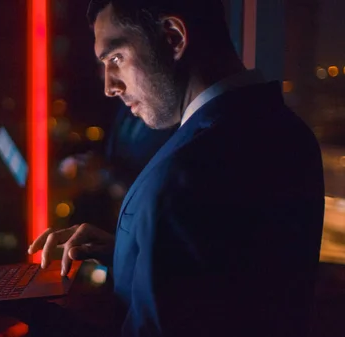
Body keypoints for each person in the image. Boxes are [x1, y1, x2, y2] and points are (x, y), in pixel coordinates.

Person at [28, 0, 325, 336]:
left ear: (173, 38)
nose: (110, 87)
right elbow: (236, 278)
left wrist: (35, 312)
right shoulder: (288, 132)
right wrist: (130, 252)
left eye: (116, 59)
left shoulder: (183, 173)